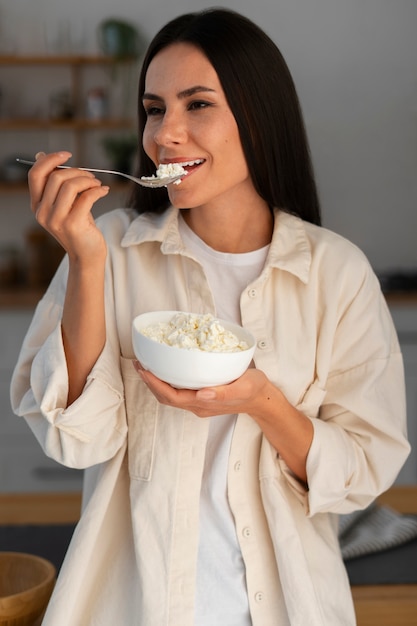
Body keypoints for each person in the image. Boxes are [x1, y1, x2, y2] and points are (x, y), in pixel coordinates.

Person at [11, 8, 410, 626]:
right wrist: (88, 263)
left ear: (259, 114)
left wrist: (260, 400)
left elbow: (361, 472)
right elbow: (75, 440)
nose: (166, 134)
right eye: (153, 109)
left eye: (197, 105)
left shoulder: (337, 274)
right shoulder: (106, 248)